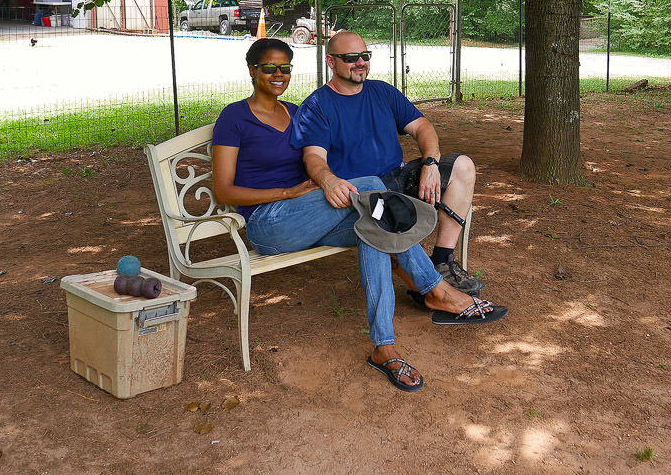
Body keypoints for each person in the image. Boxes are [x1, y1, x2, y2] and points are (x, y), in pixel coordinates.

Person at [211, 38, 506, 392]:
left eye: (285, 67)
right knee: (369, 190)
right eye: (269, 68)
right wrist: (291, 191)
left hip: (312, 216)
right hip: (269, 223)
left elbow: (315, 155)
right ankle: (436, 290)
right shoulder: (235, 117)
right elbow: (224, 191)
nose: (278, 74)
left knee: (375, 227)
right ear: (251, 71)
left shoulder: (295, 111)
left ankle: (385, 347)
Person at [291, 30, 485, 296]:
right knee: (384, 218)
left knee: (463, 166)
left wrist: (430, 163)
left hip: (398, 179)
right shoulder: (316, 106)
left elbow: (422, 127)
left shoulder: (381, 91)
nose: (360, 63)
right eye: (350, 57)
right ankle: (429, 291)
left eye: (365, 56)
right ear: (331, 62)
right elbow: (313, 157)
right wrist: (327, 179)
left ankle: (442, 260)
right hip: (361, 195)